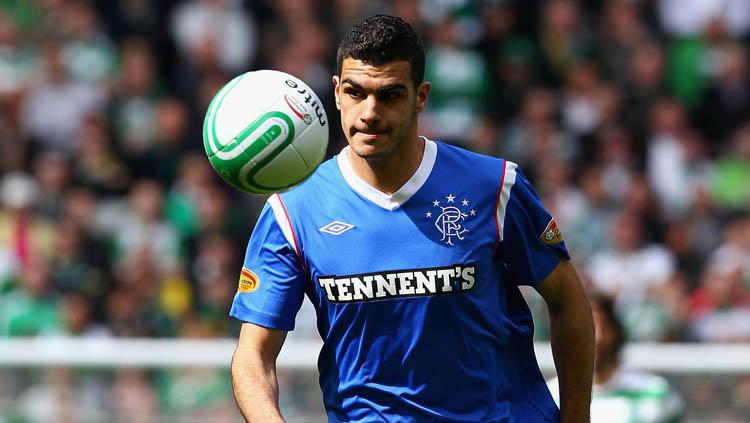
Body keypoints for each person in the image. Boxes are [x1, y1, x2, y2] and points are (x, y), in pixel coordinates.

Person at [230, 14, 594, 422]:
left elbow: (568, 301)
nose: (369, 112)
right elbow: (253, 354)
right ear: (335, 92)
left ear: (420, 96)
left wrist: (577, 416)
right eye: (355, 92)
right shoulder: (292, 210)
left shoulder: (493, 187)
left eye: (389, 95)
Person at [548, 294, 684, 422]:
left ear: (617, 333)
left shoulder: (655, 392)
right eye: (589, 329)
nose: (598, 338)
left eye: (604, 327)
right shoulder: (550, 398)